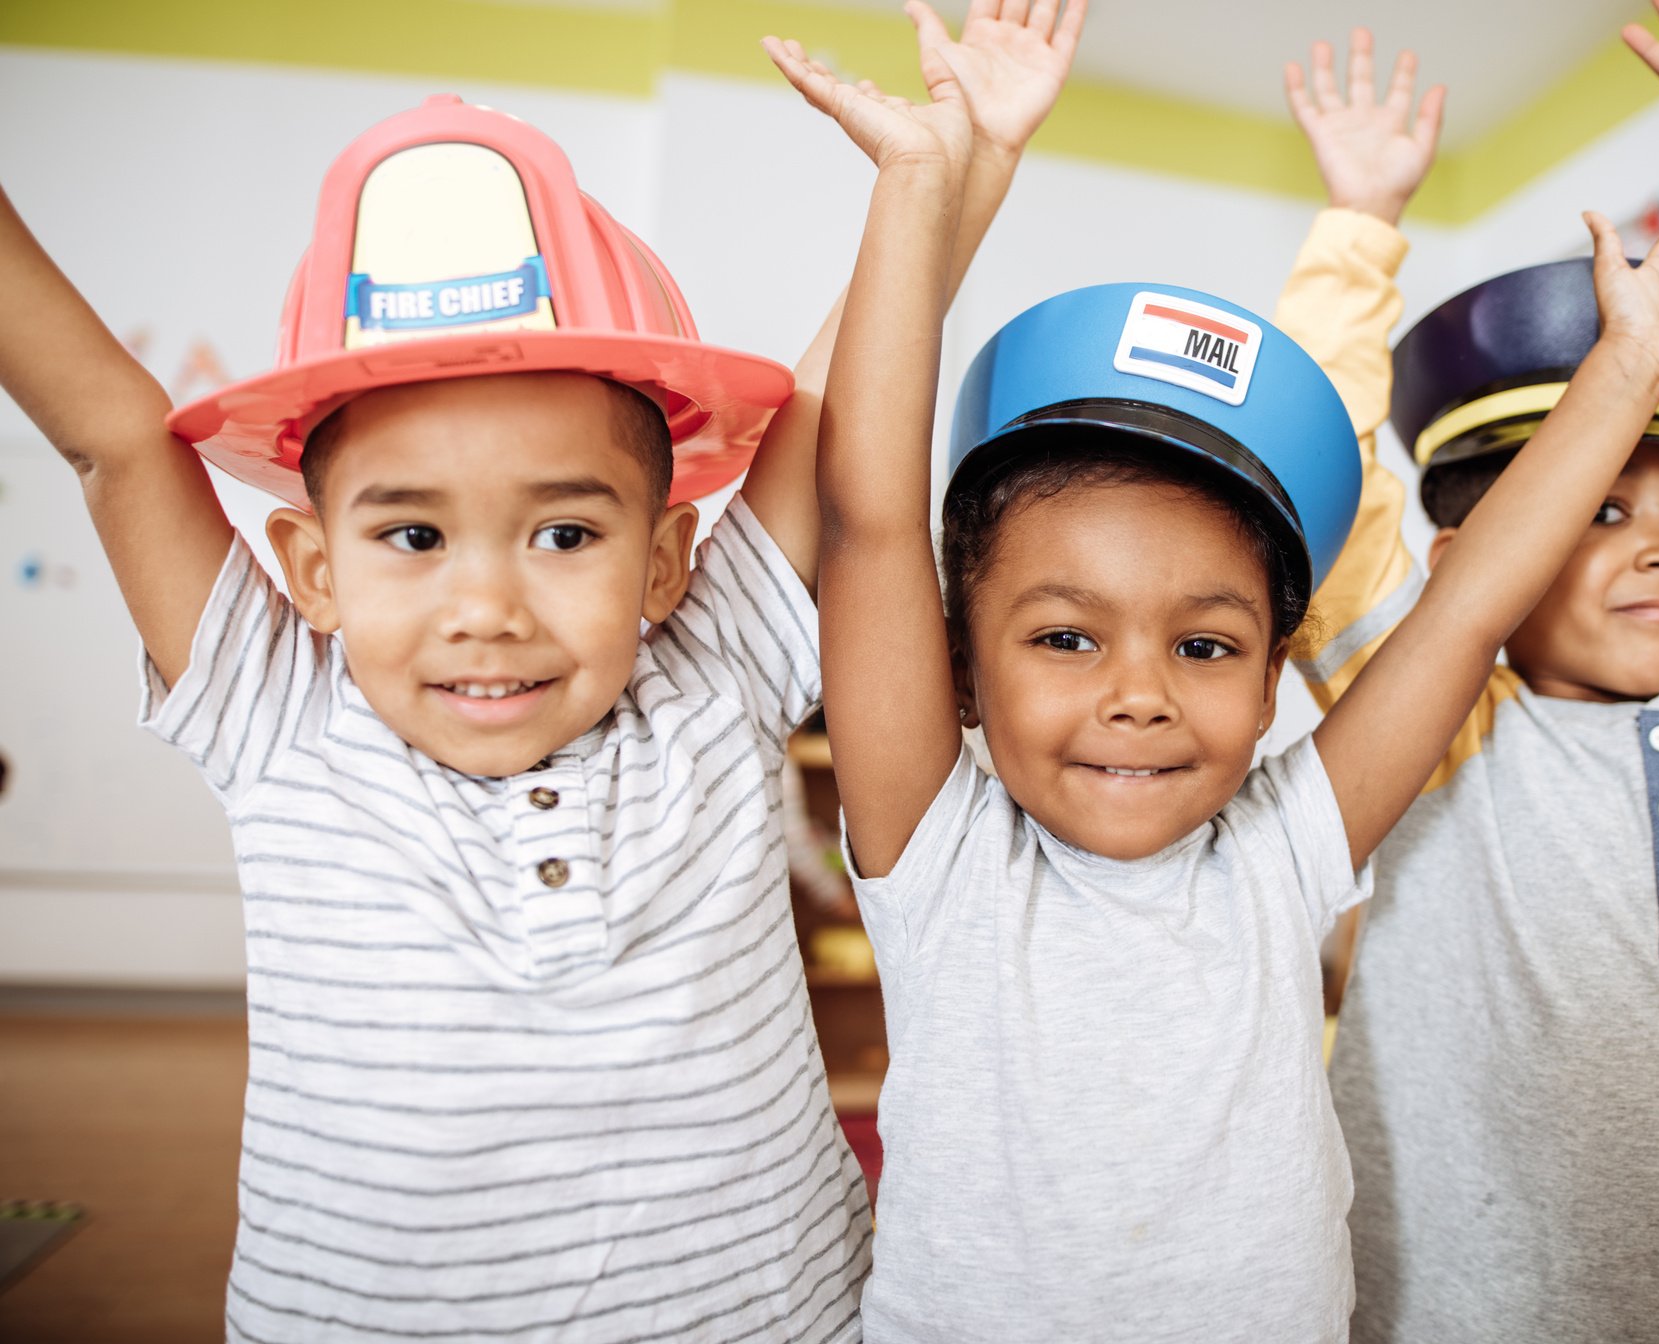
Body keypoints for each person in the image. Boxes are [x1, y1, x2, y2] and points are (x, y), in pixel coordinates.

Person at [0, 4, 1082, 1337]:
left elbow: (841, 409)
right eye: (412, 533)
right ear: (313, 565)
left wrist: (959, 164)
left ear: (666, 558)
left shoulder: (715, 669)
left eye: (565, 532)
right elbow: (111, 433)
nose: (488, 606)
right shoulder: (275, 712)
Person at [764, 12, 1659, 1338]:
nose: (1142, 692)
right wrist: (921, 187)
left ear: (1269, 685)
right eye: (1067, 636)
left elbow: (1469, 606)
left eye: (1205, 644)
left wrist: (1630, 368)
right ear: (960, 669)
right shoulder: (938, 854)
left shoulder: (1282, 849)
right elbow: (874, 522)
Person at [1273, 7, 1659, 1340]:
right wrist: (1360, 226)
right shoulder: (1432, 717)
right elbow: (1320, 475)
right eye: (1597, 512)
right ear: (1467, 559)